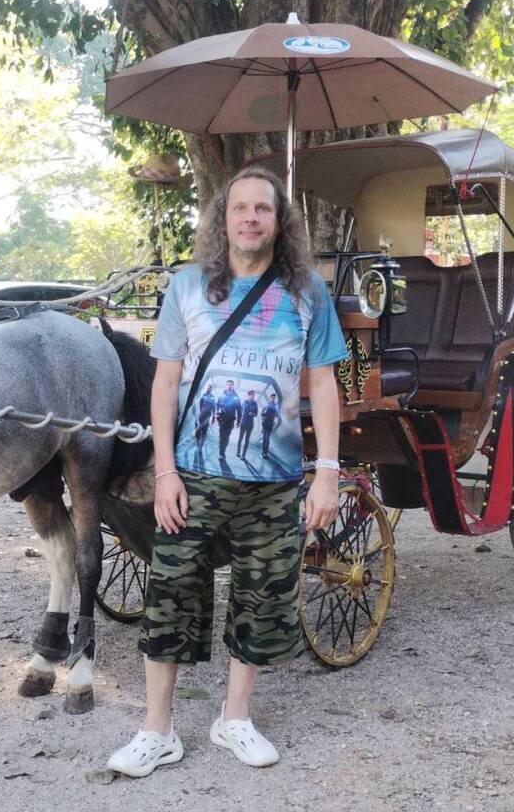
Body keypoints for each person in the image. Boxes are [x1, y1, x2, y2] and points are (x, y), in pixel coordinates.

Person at [106, 166, 347, 777]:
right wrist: (164, 473)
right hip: (192, 474)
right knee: (169, 596)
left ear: (278, 220)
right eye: (238, 208)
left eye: (261, 209)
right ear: (222, 219)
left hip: (274, 481)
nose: (249, 218)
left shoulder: (306, 293)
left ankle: (234, 717)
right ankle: (157, 730)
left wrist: (326, 471)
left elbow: (322, 382)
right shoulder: (188, 287)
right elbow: (163, 383)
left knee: (262, 599)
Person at [215, 379, 241, 465]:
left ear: (233, 386)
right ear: (226, 385)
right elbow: (217, 405)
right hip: (222, 419)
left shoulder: (236, 397)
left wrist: (238, 421)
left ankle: (223, 451)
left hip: (230, 420)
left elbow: (239, 409)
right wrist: (217, 414)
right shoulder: (221, 395)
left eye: (231, 385)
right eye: (228, 384)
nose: (229, 386)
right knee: (221, 436)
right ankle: (221, 453)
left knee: (226, 437)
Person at [236, 389, 259, 458]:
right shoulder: (244, 402)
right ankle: (238, 452)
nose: (253, 396)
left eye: (254, 395)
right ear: (248, 395)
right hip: (243, 422)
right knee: (240, 438)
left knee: (247, 440)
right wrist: (238, 422)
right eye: (252, 394)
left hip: (250, 424)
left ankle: (243, 455)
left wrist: (253, 414)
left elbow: (256, 414)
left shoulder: (255, 404)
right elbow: (240, 413)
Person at [259, 391, 281, 456]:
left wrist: (277, 413)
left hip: (270, 423)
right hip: (265, 423)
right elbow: (261, 414)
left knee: (266, 437)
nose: (273, 399)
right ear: (270, 398)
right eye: (272, 397)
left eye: (274, 398)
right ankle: (264, 452)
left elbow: (277, 415)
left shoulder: (276, 406)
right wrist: (265, 413)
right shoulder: (267, 405)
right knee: (265, 437)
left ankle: (264, 452)